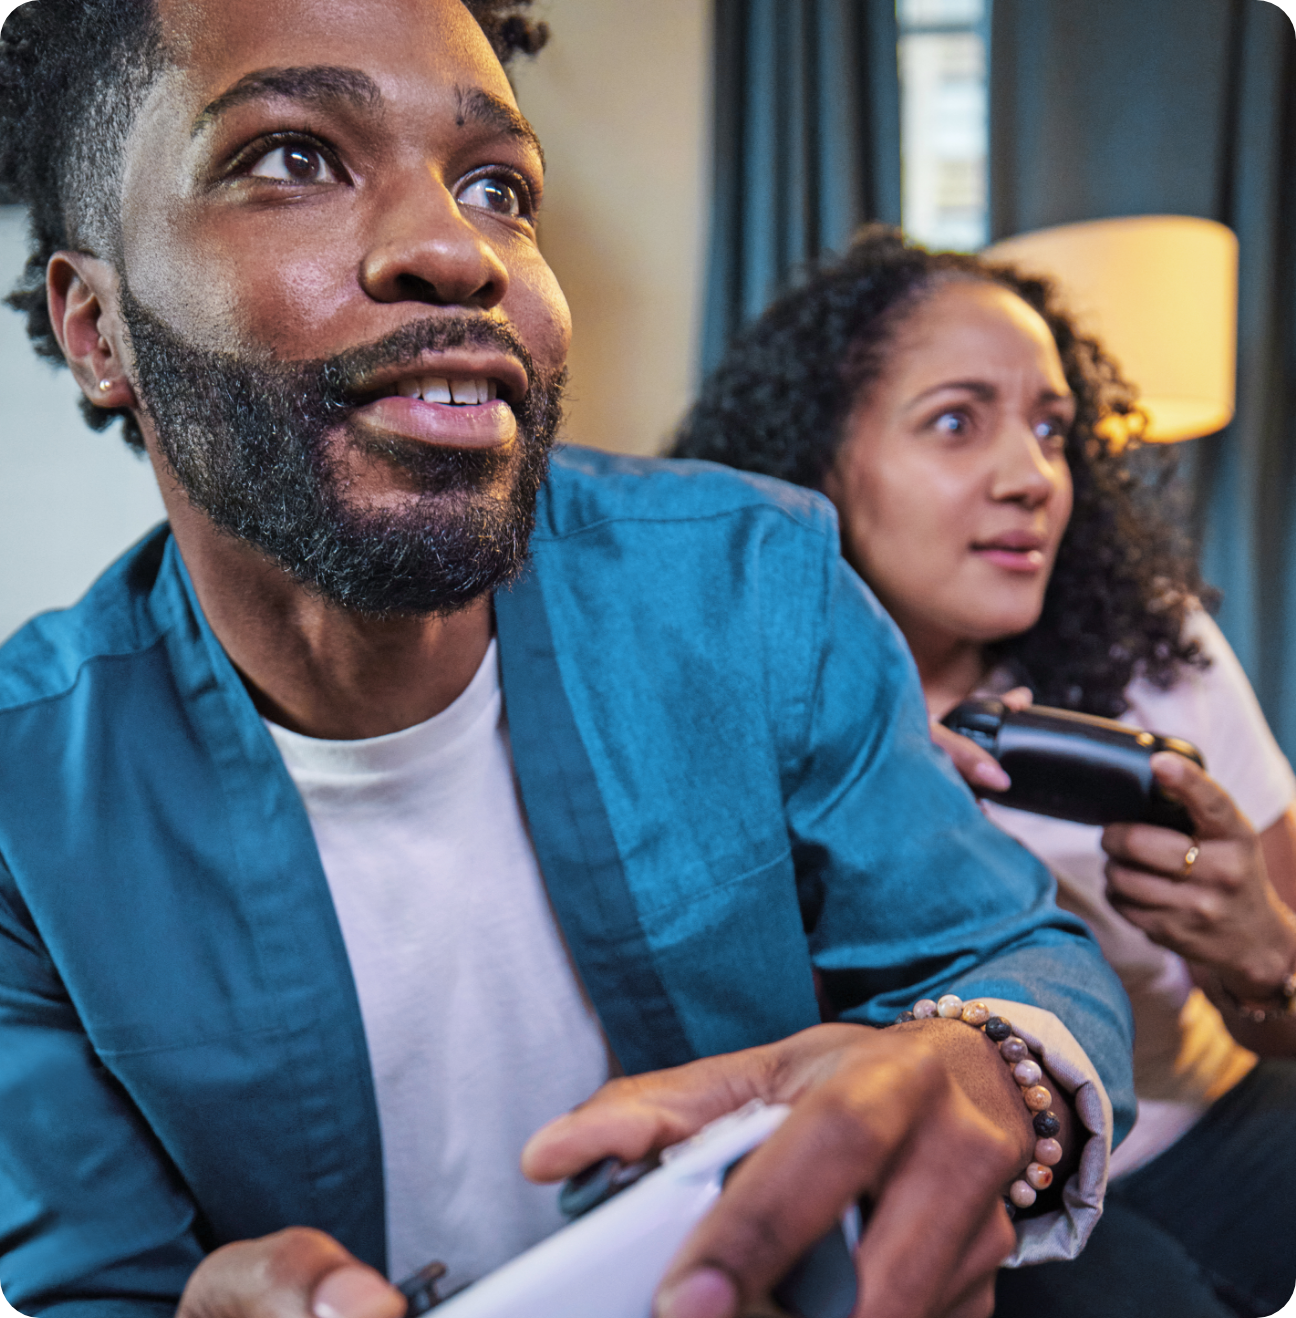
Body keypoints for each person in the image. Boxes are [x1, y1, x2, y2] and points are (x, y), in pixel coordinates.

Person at [0, 7, 1135, 1318]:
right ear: (97, 328)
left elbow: (1003, 943)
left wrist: (985, 1064)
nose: (454, 248)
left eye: (498, 188)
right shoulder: (28, 803)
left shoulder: (750, 579)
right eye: (293, 157)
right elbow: (83, 1279)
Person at [673, 225, 1296, 1317]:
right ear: (817, 460)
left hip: (1225, 1128)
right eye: (956, 423)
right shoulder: (713, 702)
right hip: (975, 1191)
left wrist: (1262, 955)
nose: (1032, 478)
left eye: (1053, 429)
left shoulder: (1158, 651)